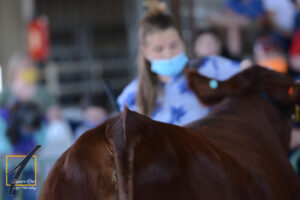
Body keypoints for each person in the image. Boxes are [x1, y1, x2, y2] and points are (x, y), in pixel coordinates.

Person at [118, 1, 243, 126]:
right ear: (145, 52)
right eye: (158, 49)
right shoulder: (131, 97)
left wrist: (248, 68)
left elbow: (251, 74)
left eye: (174, 45)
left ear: (182, 41)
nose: (168, 54)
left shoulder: (210, 67)